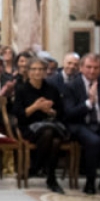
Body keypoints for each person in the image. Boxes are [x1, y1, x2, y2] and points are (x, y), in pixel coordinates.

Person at [62, 53, 100, 195]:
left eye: (96, 68)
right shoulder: (71, 86)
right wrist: (89, 103)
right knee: (94, 141)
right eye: (88, 67)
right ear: (81, 68)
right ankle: (90, 181)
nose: (92, 71)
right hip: (81, 124)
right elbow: (69, 114)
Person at [14, 58, 67, 193]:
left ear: (45, 72)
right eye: (34, 69)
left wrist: (51, 111)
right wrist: (35, 107)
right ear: (29, 72)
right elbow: (19, 114)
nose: (37, 72)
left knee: (54, 138)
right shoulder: (21, 89)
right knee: (50, 136)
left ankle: (38, 170)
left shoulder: (52, 89)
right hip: (29, 127)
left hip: (50, 124)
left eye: (41, 69)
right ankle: (47, 175)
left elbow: (61, 112)